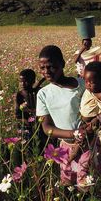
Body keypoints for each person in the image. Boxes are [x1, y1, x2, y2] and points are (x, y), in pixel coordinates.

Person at [36, 45, 86, 185]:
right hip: (64, 147)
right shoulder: (43, 94)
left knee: (87, 183)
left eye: (51, 67)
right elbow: (47, 128)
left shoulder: (81, 85)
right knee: (68, 183)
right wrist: (74, 134)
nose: (47, 72)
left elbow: (92, 113)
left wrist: (82, 134)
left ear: (62, 64)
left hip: (88, 141)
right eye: (42, 68)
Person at [15, 69, 45, 138]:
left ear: (33, 81)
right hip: (26, 127)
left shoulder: (39, 92)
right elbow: (18, 115)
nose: (22, 84)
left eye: (26, 81)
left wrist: (29, 110)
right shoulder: (19, 95)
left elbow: (44, 112)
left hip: (41, 124)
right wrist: (27, 123)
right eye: (21, 81)